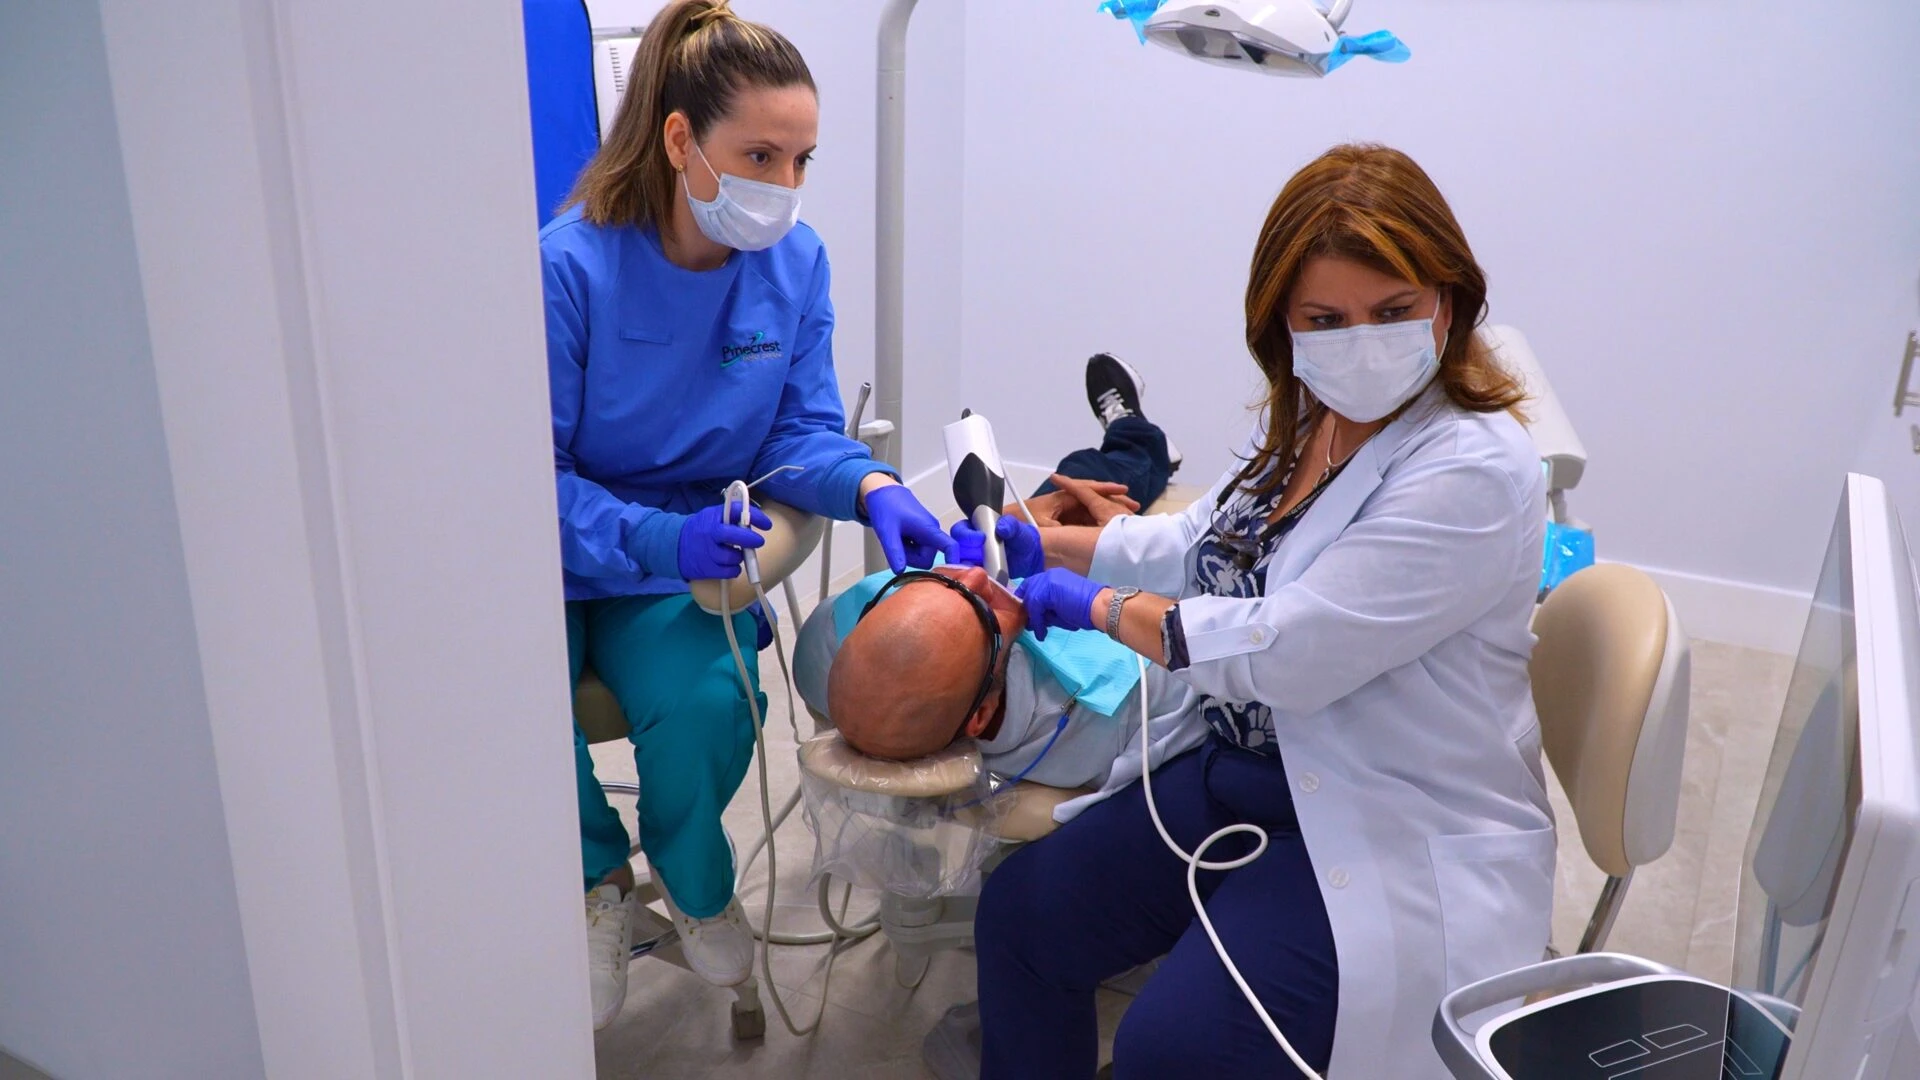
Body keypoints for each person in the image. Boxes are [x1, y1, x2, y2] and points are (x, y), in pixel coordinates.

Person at [975, 144, 1555, 1080]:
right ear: (1282, 323)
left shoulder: (1474, 467)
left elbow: (1291, 650)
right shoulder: (1312, 420)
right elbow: (1209, 540)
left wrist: (1098, 605)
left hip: (1381, 816)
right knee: (1021, 918)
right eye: (1326, 319)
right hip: (1242, 773)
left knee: (1176, 1051)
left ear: (1447, 299)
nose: (1361, 340)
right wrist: (1045, 546)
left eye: (1394, 310)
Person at [539, 0, 953, 1029]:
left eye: (803, 157)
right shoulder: (569, 268)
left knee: (715, 705)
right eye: (760, 154)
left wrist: (871, 486)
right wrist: (653, 536)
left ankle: (694, 879)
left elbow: (795, 435)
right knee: (501, 706)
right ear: (681, 140)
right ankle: (594, 883)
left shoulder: (794, 265)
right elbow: (522, 476)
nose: (785, 187)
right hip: (553, 550)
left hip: (687, 561)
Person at [794, 355, 1188, 790]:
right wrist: (1117, 540)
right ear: (981, 716)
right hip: (1123, 602)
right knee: (1099, 483)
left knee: (1061, 491)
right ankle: (1137, 434)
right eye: (982, 612)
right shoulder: (1100, 720)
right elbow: (1200, 628)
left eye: (934, 580)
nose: (977, 575)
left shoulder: (822, 643)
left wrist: (1022, 522)